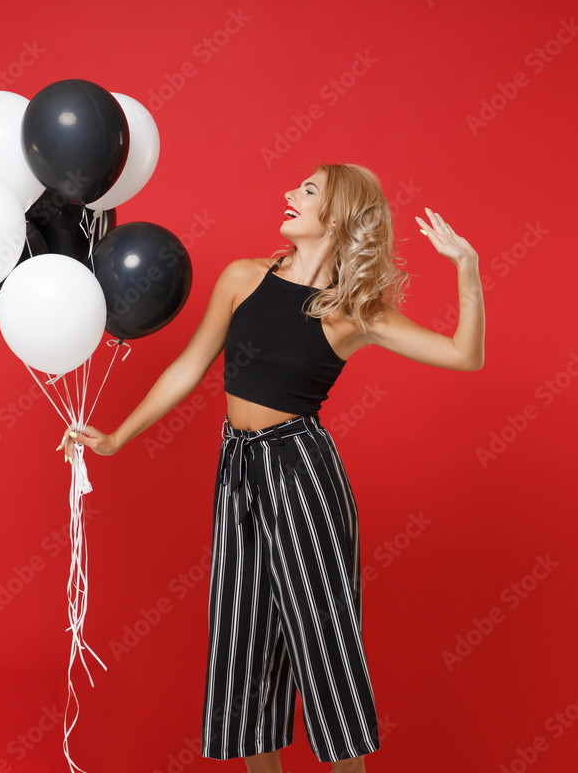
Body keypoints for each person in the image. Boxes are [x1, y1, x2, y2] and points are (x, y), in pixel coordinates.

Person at [59, 163, 485, 773]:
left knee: (324, 646)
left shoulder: (353, 311)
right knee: (242, 641)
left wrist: (466, 269)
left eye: (308, 190)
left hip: (302, 472)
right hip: (237, 469)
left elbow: (464, 355)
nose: (290, 194)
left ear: (336, 215)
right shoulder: (243, 277)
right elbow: (190, 366)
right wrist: (116, 437)